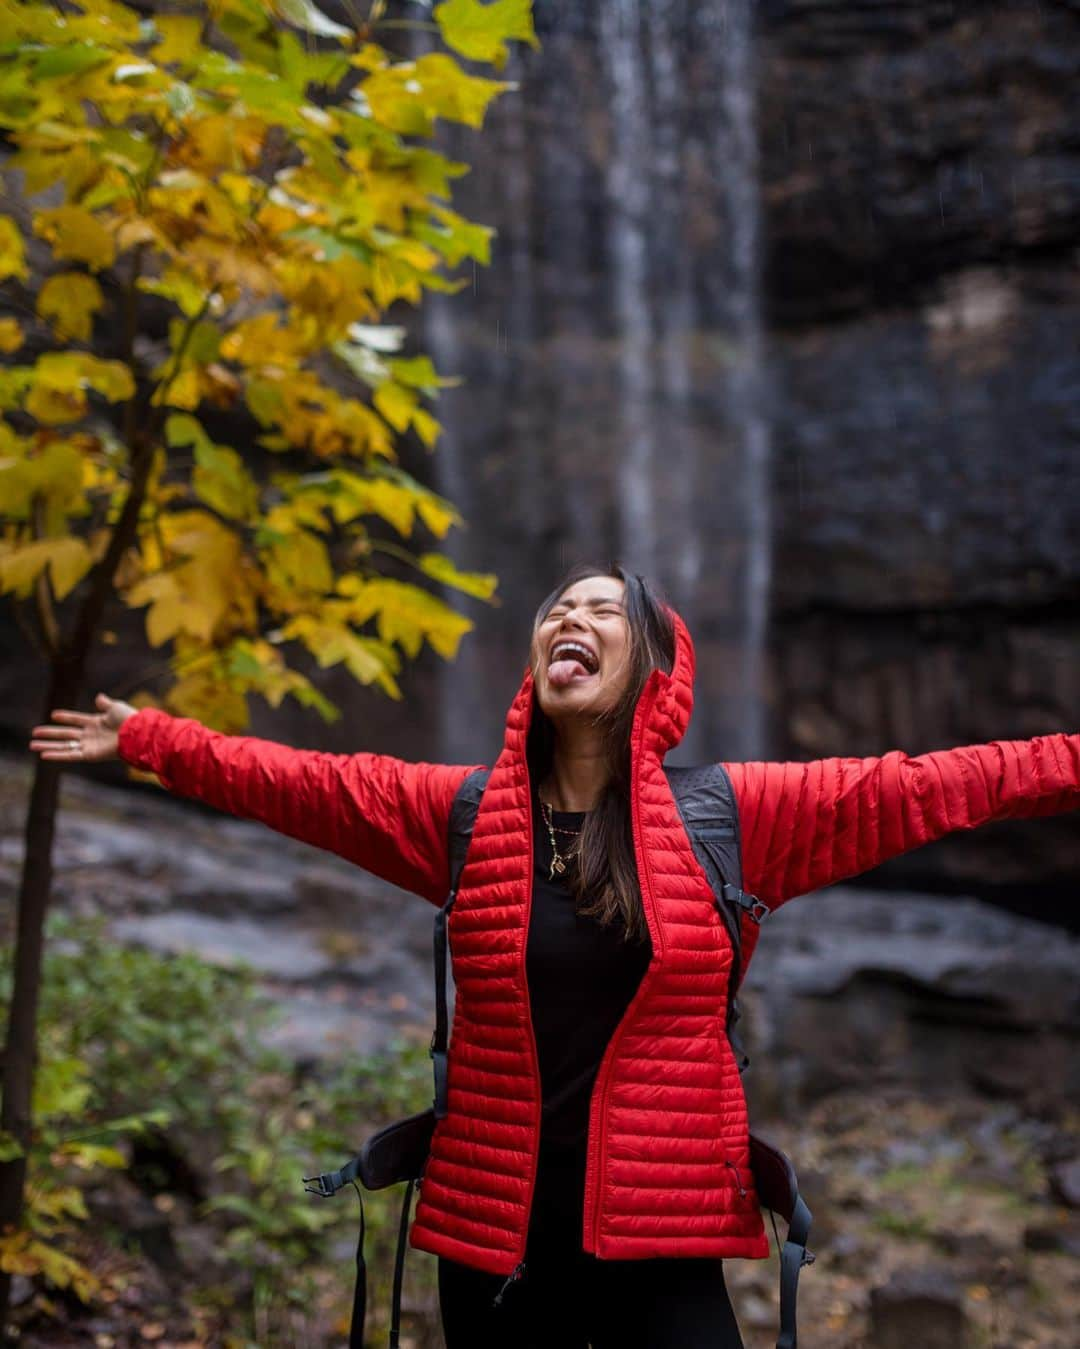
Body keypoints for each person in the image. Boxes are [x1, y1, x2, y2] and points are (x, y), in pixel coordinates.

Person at [29, 561, 1080, 1349]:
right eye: (556, 609)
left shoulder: (737, 817)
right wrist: (156, 741)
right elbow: (307, 781)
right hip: (496, 1248)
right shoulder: (463, 816)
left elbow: (941, 779)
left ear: (655, 665)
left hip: (663, 1243)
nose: (569, 617)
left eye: (602, 608)